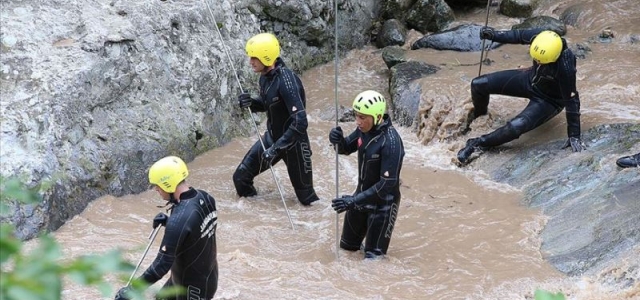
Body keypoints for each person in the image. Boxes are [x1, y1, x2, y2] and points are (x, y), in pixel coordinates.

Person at [457, 28, 586, 165]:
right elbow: (517, 35)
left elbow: (571, 100)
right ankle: (479, 115)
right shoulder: (542, 38)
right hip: (530, 80)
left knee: (516, 126)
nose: (538, 62)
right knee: (478, 84)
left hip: (549, 100)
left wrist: (574, 135)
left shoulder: (565, 66)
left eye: (541, 61)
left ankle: (478, 143)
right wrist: (494, 35)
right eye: (536, 60)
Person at [232, 32, 319, 206]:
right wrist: (252, 103)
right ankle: (257, 213)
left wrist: (276, 148)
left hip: (294, 145)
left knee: (307, 201)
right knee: (241, 178)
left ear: (266, 57)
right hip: (273, 138)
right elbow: (269, 104)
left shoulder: (287, 82)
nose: (251, 62)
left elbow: (301, 122)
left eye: (254, 58)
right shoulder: (265, 77)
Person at [115, 156, 218, 300]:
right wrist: (169, 221)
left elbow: (161, 265)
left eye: (157, 185)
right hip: (204, 277)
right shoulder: (206, 197)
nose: (156, 189)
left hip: (191, 291)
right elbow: (195, 231)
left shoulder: (179, 220)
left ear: (168, 184)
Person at [329, 90, 405, 259]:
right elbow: (345, 148)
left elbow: (386, 185)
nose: (358, 121)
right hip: (361, 198)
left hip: (383, 206)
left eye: (363, 117)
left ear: (377, 116)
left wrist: (353, 201)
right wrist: (336, 140)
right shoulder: (363, 130)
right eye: (356, 116)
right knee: (347, 249)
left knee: (373, 261)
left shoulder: (391, 143)